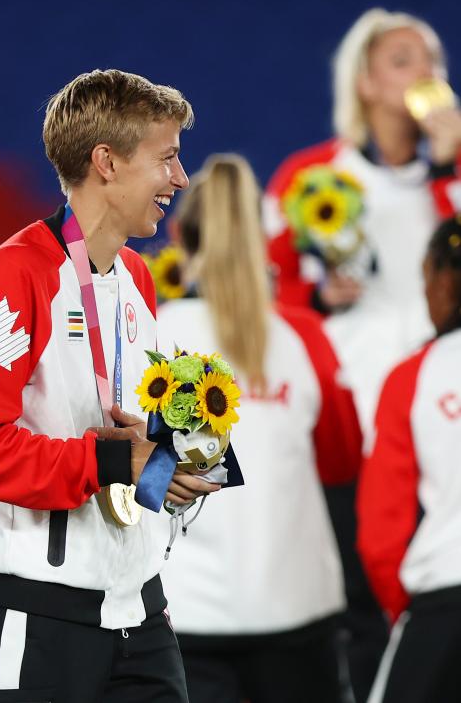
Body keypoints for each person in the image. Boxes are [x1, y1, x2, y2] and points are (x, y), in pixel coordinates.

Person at [0, 68, 221, 703]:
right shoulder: (16, 276)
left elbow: (132, 443)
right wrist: (119, 457)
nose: (179, 179)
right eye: (168, 158)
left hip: (139, 609)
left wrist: (172, 462)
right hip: (39, 615)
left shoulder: (139, 281)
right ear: (107, 163)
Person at [154, 153, 363, 703]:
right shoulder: (303, 337)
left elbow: (135, 482)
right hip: (297, 607)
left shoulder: (155, 336)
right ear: (261, 239)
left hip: (185, 612)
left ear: (180, 236)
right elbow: (342, 461)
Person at [263, 8, 461, 437]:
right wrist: (318, 297)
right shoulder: (308, 176)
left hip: (443, 394)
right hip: (344, 394)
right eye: (403, 60)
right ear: (365, 82)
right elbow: (261, 284)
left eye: (434, 60)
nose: (426, 71)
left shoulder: (456, 171)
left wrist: (448, 170)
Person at [357, 216, 461, 703]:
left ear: (443, 280)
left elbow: (382, 534)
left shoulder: (415, 376)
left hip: (445, 610)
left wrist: (409, 614)